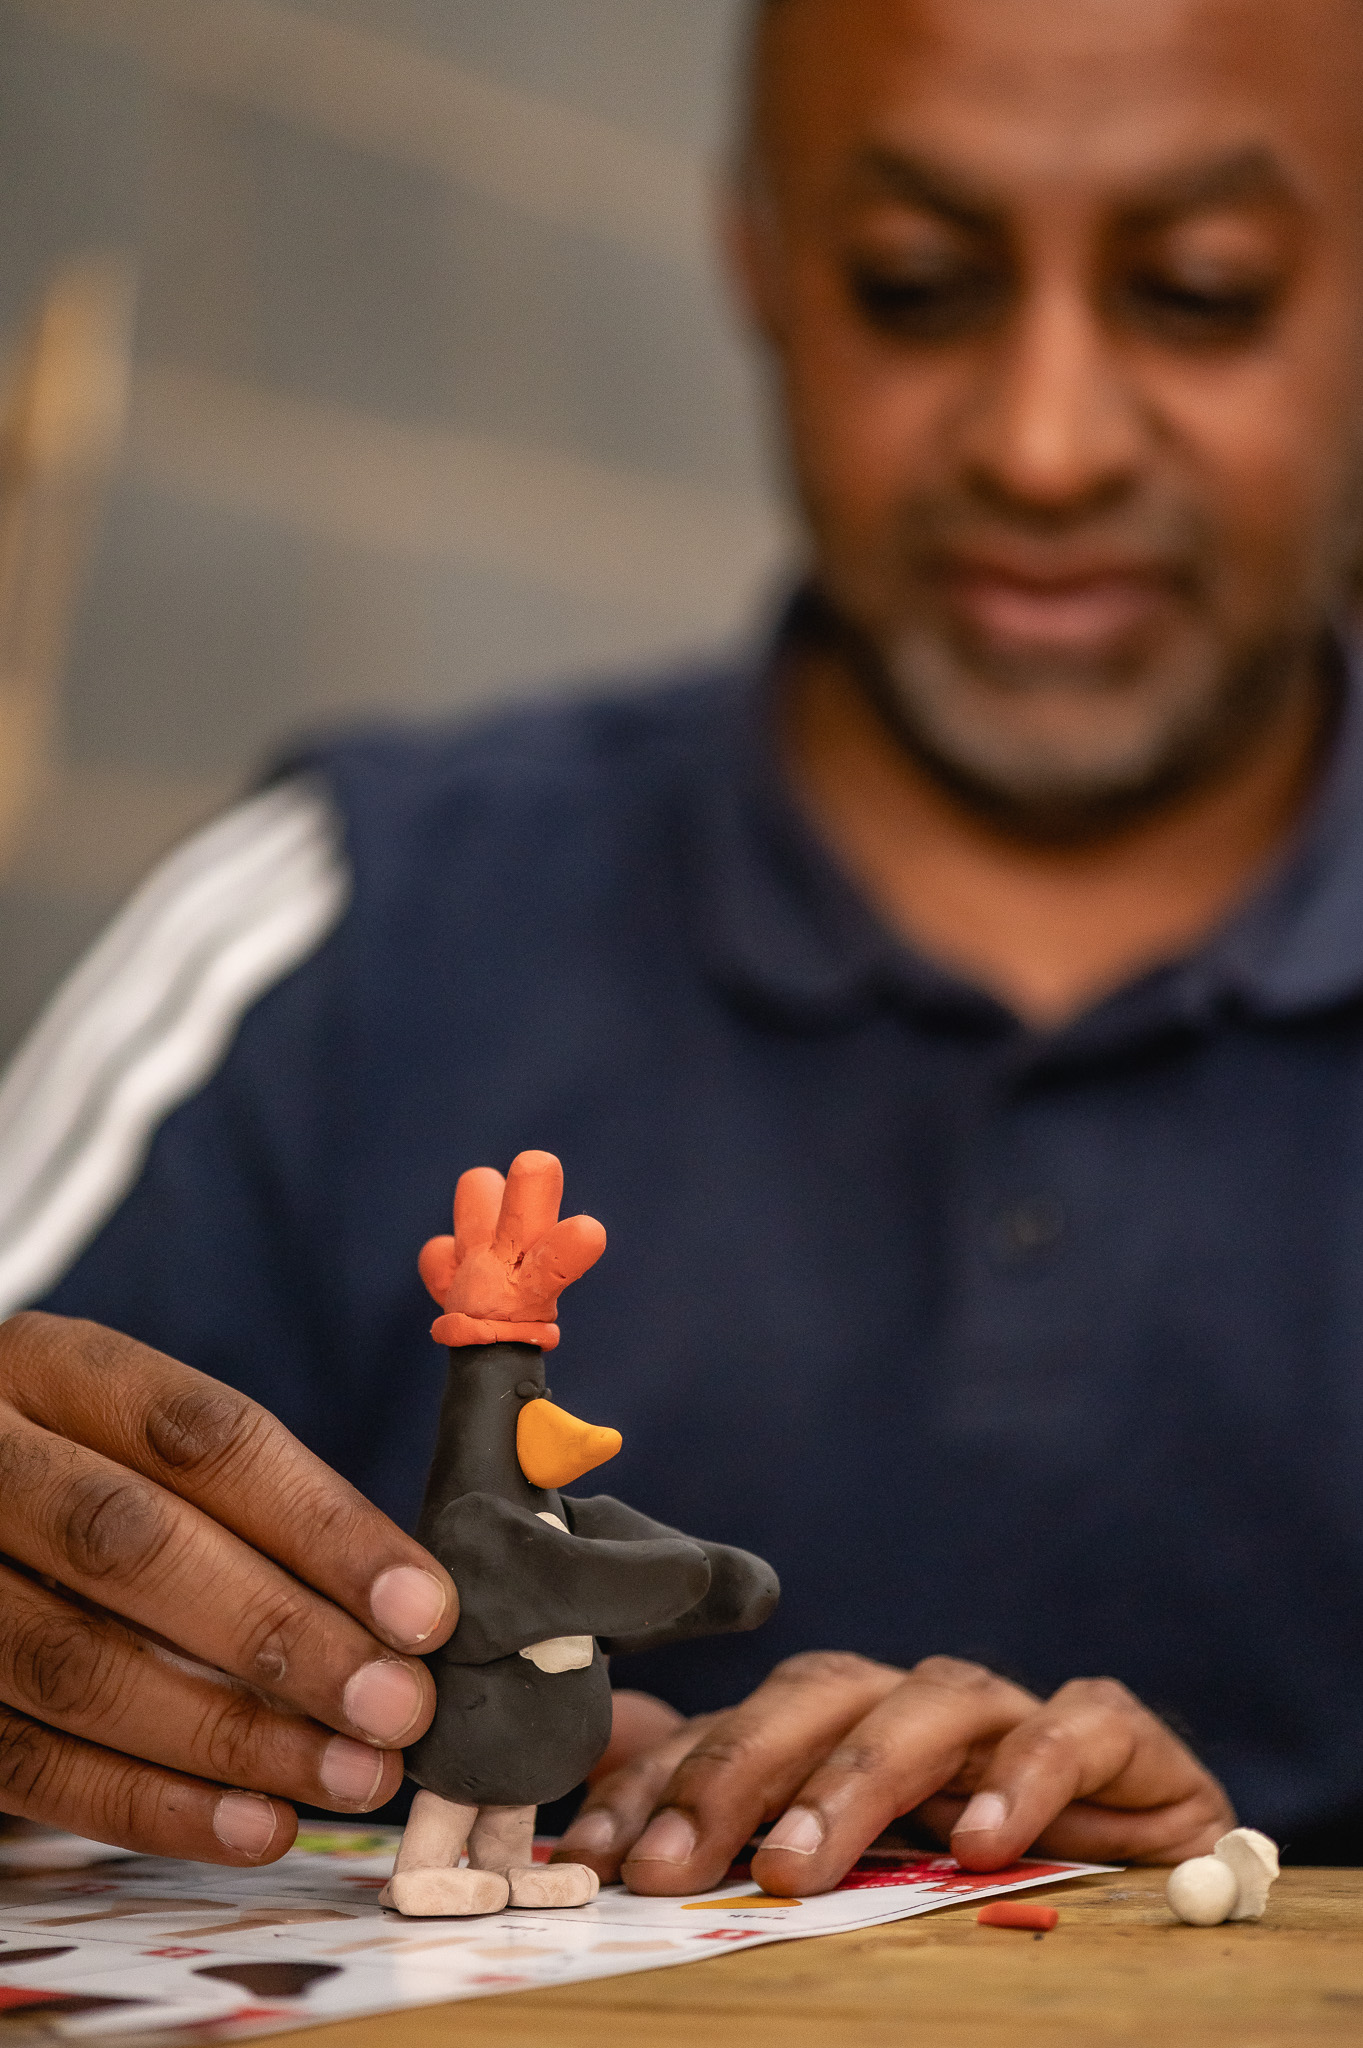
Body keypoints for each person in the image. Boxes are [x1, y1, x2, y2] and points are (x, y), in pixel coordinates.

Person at [0, 0, 1360, 1895]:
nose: (1048, 445)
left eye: (1203, 292)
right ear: (762, 259)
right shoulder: (341, 923)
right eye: (916, 282)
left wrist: (1242, 1912)